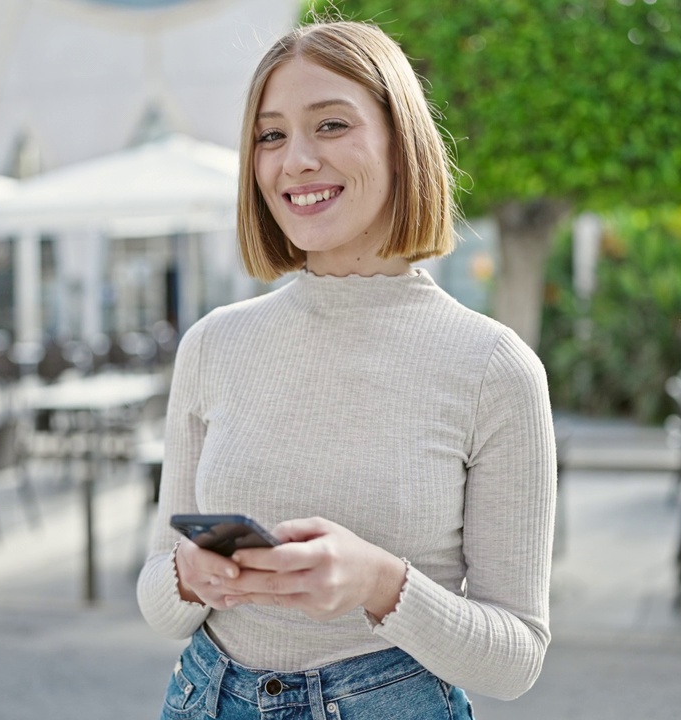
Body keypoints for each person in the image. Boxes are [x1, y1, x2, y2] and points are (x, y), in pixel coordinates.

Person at [137, 19, 557, 719]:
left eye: (330, 125)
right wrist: (190, 573)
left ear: (402, 143)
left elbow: (516, 657)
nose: (294, 160)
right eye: (270, 135)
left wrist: (381, 584)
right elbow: (159, 599)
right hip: (207, 697)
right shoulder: (213, 344)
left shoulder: (493, 369)